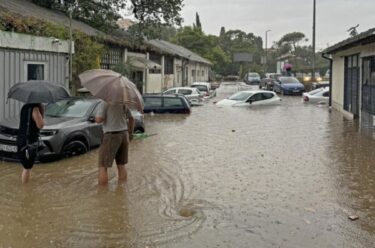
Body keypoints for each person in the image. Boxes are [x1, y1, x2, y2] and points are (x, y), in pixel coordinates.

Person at [95, 101, 135, 185]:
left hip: (111, 136)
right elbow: (131, 118)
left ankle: (102, 194)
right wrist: (130, 133)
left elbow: (99, 120)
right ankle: (122, 188)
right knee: (121, 165)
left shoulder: (104, 103)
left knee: (103, 166)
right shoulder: (123, 103)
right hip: (124, 134)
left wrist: (96, 116)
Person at [17, 103, 44, 183]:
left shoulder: (24, 107)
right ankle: (25, 191)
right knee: (27, 167)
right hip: (29, 143)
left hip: (21, 140)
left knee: (26, 166)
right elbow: (40, 125)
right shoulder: (35, 108)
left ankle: (26, 187)